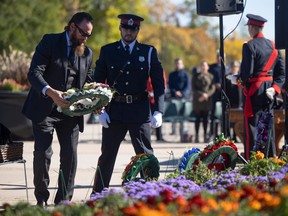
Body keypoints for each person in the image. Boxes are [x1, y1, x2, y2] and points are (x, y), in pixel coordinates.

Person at [22, 12, 95, 206]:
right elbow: (34, 73)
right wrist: (51, 92)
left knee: (70, 155)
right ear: (72, 27)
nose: (85, 38)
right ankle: (41, 200)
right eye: (83, 33)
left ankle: (63, 200)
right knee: (43, 154)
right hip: (44, 109)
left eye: (88, 35)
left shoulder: (87, 53)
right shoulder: (50, 42)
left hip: (71, 112)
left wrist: (96, 99)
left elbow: (87, 82)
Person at [91, 14, 165, 194]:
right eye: (125, 28)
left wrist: (158, 111)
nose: (128, 32)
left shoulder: (148, 52)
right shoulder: (107, 50)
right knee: (107, 155)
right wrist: (99, 110)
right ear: (120, 28)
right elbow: (97, 83)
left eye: (132, 29)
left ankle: (152, 192)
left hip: (139, 110)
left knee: (145, 154)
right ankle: (98, 194)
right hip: (114, 110)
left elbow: (158, 84)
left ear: (138, 31)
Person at [228, 14, 285, 160]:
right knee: (268, 126)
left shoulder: (249, 46)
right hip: (269, 92)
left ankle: (252, 160)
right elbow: (282, 74)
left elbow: (247, 74)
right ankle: (269, 158)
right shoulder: (274, 46)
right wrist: (275, 88)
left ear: (252, 28)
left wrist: (236, 80)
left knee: (252, 128)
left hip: (254, 90)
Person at [192, 61, 215, 143]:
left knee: (205, 118)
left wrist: (206, 95)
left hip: (207, 100)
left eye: (205, 66)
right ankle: (197, 135)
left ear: (207, 67)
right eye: (202, 65)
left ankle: (205, 135)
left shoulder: (211, 76)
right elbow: (193, 88)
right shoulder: (195, 76)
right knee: (197, 118)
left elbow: (212, 88)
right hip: (198, 100)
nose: (203, 67)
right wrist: (201, 95)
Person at [168, 58, 190, 135]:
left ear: (182, 64)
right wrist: (175, 92)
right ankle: (173, 130)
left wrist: (182, 93)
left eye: (179, 63)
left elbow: (188, 86)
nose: (178, 65)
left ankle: (182, 130)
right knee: (174, 113)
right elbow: (170, 85)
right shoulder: (172, 74)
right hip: (174, 97)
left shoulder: (186, 74)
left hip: (183, 97)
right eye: (177, 63)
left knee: (182, 114)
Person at [225, 60, 243, 141]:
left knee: (237, 121)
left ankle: (236, 136)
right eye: (232, 66)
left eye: (236, 66)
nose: (234, 68)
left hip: (239, 102)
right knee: (229, 120)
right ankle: (229, 135)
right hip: (230, 101)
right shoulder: (227, 77)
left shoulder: (241, 77)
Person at [208, 51, 224, 140]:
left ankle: (222, 133)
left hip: (222, 93)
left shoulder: (226, 67)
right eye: (218, 56)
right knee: (213, 114)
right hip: (213, 93)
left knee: (222, 114)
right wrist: (215, 84)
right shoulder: (211, 67)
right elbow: (210, 79)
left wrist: (221, 84)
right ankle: (212, 133)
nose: (219, 58)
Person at [147, 73, 166, 142]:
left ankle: (159, 136)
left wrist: (154, 92)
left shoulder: (159, 70)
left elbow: (163, 83)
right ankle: (147, 136)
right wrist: (148, 92)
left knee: (157, 117)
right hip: (146, 98)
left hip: (156, 98)